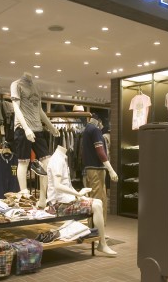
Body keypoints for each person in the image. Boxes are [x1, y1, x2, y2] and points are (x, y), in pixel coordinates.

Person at [47, 145, 117, 256]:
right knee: (96, 205)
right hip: (58, 205)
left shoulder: (62, 158)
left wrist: (80, 196)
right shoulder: (57, 160)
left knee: (98, 202)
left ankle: (100, 241)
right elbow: (57, 185)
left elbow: (67, 185)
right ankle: (102, 244)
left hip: (65, 201)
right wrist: (78, 194)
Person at [10, 72, 59, 208]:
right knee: (23, 162)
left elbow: (40, 110)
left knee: (47, 163)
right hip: (22, 128)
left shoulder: (36, 87)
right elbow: (16, 108)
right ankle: (24, 194)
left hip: (38, 128)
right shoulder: (16, 84)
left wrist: (51, 127)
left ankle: (43, 198)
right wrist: (26, 128)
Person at [81, 114, 117, 224]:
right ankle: (97, 229)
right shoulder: (95, 130)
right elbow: (100, 152)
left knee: (92, 200)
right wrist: (111, 170)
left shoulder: (86, 130)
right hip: (96, 170)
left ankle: (93, 227)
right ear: (99, 121)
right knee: (98, 201)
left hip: (89, 169)